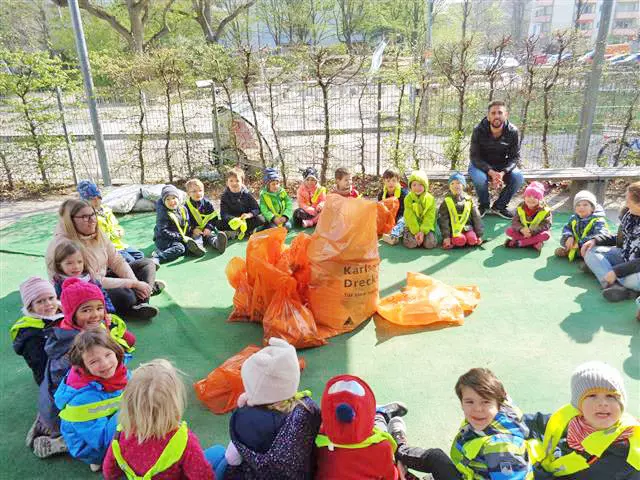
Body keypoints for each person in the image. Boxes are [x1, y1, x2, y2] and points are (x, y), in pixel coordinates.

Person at [35, 277, 135, 459]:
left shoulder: (91, 332)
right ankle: (59, 438)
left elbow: (126, 343)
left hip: (91, 405)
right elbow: (64, 394)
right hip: (66, 413)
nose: (96, 315)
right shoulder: (70, 351)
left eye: (99, 308)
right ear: (72, 314)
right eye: (86, 310)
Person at [103, 359, 221, 480]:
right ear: (174, 405)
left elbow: (109, 470)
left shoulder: (122, 432)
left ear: (129, 404)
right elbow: (202, 476)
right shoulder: (185, 441)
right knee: (219, 452)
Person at [223, 337, 321, 479]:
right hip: (303, 475)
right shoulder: (308, 407)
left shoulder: (244, 418)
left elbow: (232, 458)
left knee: (216, 456)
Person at [45, 199, 160, 319]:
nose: (92, 220)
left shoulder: (97, 232)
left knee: (147, 264)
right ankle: (145, 292)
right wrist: (133, 283)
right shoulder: (65, 245)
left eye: (93, 214)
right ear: (71, 220)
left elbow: (116, 260)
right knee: (126, 295)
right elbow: (92, 279)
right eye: (85, 217)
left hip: (103, 277)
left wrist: (135, 282)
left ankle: (143, 302)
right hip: (84, 287)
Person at [526, 361, 639, 479]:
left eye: (611, 396)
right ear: (578, 406)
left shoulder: (626, 454)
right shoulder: (575, 421)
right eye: (592, 396)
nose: (603, 403)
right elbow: (537, 422)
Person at [54, 330, 129, 472]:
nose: (105, 364)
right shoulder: (83, 400)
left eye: (108, 355)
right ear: (82, 366)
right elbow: (100, 441)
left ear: (116, 352)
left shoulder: (119, 370)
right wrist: (130, 409)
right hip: (91, 447)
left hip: (101, 428)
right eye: (94, 361)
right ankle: (97, 460)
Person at [315, 374, 408, 480]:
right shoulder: (382, 448)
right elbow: (390, 476)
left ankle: (379, 416)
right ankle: (380, 415)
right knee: (377, 429)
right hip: (375, 442)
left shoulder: (317, 442)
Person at [583, 181, 640, 302]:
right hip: (625, 257)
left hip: (637, 270)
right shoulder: (629, 214)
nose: (626, 203)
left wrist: (616, 271)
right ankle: (617, 287)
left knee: (636, 279)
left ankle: (604, 273)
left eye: (628, 200)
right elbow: (621, 237)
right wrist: (596, 240)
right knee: (591, 251)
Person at [468, 100, 524, 219]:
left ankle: (499, 206)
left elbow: (515, 157)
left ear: (506, 115)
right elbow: (474, 156)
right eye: (493, 113)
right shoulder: (478, 130)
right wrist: (490, 171)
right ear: (488, 116)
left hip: (502, 166)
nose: (496, 116)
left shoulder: (513, 131)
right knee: (479, 178)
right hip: (480, 165)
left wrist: (503, 172)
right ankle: (484, 205)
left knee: (518, 177)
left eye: (500, 112)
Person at [76, 180, 145, 265]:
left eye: (98, 197)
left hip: (118, 245)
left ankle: (142, 274)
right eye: (92, 199)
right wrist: (112, 235)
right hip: (104, 249)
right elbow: (93, 238)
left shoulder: (106, 210)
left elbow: (116, 225)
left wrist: (119, 231)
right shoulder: (86, 217)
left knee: (140, 255)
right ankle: (133, 277)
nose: (96, 201)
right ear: (84, 201)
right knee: (129, 261)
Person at [11, 277, 63, 386]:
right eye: (40, 301)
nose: (48, 303)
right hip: (52, 376)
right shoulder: (31, 334)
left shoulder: (63, 313)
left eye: (51, 298)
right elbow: (40, 365)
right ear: (30, 307)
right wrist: (48, 385)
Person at [50, 239, 115, 313]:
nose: (76, 266)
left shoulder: (90, 279)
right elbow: (58, 302)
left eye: (79, 262)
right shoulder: (59, 283)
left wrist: (108, 310)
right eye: (69, 263)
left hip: (96, 314)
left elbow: (103, 295)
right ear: (59, 265)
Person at [152, 184, 207, 264]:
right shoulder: (163, 213)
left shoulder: (183, 209)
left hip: (179, 237)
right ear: (164, 202)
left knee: (190, 245)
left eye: (174, 198)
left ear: (178, 198)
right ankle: (157, 257)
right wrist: (181, 237)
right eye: (168, 199)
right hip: (164, 239)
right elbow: (163, 231)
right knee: (180, 248)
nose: (171, 201)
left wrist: (192, 230)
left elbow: (187, 224)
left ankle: (197, 247)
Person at [556, 190, 608, 263]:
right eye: (578, 205)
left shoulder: (598, 220)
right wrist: (569, 236)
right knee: (563, 240)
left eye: (585, 205)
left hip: (590, 244)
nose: (581, 208)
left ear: (592, 208)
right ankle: (574, 252)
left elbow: (599, 236)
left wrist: (581, 243)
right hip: (577, 244)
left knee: (595, 249)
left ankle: (578, 255)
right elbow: (567, 228)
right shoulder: (574, 218)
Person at [438, 172, 484, 249]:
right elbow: (443, 220)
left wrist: (479, 234)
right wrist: (446, 236)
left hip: (468, 228)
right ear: (449, 186)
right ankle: (456, 240)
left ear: (463, 185)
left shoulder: (469, 200)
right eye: (452, 183)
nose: (455, 186)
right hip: (453, 230)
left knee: (472, 239)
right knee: (460, 240)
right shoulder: (446, 201)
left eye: (458, 183)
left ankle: (466, 239)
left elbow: (476, 217)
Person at [219, 167, 266, 239]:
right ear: (227, 183)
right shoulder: (224, 196)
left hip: (246, 220)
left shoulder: (247, 194)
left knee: (261, 219)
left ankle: (238, 232)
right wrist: (234, 219)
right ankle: (242, 232)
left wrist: (249, 215)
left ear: (242, 182)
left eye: (237, 181)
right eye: (231, 181)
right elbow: (223, 214)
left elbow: (257, 209)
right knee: (218, 223)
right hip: (233, 222)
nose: (234, 183)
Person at [505, 181, 552, 252]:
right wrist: (521, 229)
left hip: (536, 232)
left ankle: (520, 243)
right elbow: (515, 221)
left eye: (536, 197)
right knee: (508, 230)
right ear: (524, 197)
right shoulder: (520, 207)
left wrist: (532, 231)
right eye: (529, 196)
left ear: (540, 199)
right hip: (523, 232)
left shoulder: (545, 210)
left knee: (546, 235)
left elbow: (546, 225)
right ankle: (533, 243)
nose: (531, 198)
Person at [184, 178, 227, 254]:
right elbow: (185, 222)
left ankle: (218, 244)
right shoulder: (186, 206)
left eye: (200, 190)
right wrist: (193, 229)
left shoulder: (207, 203)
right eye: (194, 191)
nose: (198, 193)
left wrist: (209, 228)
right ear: (188, 193)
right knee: (197, 238)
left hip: (207, 230)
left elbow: (213, 218)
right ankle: (198, 248)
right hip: (195, 232)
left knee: (211, 236)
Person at [403, 170, 437, 249]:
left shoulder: (430, 199)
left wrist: (422, 232)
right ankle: (407, 234)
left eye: (420, 185)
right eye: (414, 185)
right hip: (412, 226)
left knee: (430, 244)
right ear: (410, 186)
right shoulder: (408, 198)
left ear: (425, 186)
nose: (417, 188)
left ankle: (426, 237)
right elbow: (409, 215)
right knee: (411, 243)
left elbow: (430, 216)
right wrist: (415, 231)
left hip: (426, 226)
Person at [379, 168, 409, 246]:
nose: (391, 183)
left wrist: (396, 220)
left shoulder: (404, 193)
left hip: (401, 216)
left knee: (402, 221)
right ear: (384, 181)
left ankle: (394, 235)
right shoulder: (382, 194)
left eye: (393, 180)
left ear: (398, 181)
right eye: (388, 181)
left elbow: (406, 210)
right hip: (388, 217)